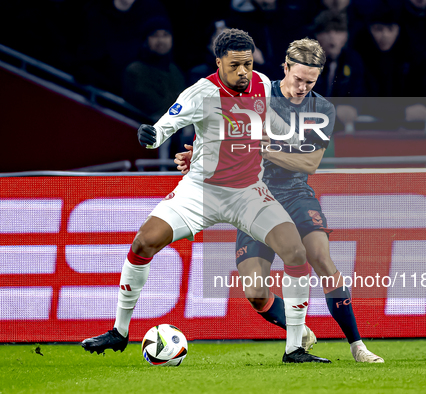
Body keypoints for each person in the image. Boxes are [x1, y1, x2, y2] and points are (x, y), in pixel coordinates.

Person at [81, 29, 330, 364]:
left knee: (295, 251)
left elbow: (270, 122)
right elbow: (165, 125)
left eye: (247, 63)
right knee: (143, 242)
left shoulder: (262, 85)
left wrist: (288, 136)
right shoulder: (202, 92)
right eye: (234, 66)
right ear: (218, 64)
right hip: (201, 191)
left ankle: (295, 348)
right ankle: (119, 332)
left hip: (248, 193)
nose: (243, 72)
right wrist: (151, 136)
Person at [175, 38, 384, 363]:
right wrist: (197, 157)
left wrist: (265, 147)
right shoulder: (254, 93)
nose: (302, 87)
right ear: (284, 68)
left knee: (321, 259)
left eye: (310, 82)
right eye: (297, 79)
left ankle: (357, 346)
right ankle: (297, 330)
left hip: (294, 194)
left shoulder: (321, 109)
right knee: (256, 294)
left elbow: (309, 163)